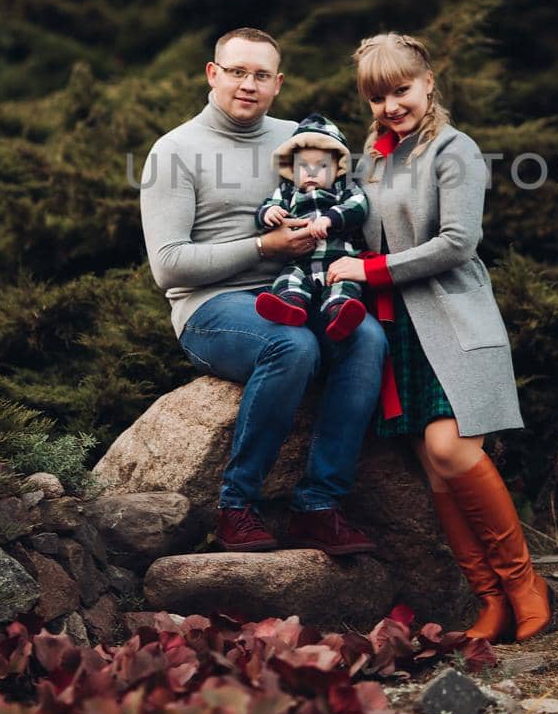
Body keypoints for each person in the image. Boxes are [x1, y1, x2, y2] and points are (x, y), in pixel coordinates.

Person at [326, 31, 551, 641]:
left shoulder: (455, 150)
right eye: (377, 96)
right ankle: (490, 600)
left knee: (453, 451)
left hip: (450, 319)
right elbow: (352, 230)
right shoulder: (370, 159)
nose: (390, 105)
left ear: (428, 83)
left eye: (401, 89)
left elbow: (458, 243)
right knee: (434, 467)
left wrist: (370, 270)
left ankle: (525, 583)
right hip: (393, 332)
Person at [140, 27, 386, 556]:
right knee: (290, 345)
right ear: (213, 74)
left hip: (306, 288)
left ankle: (319, 507)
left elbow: (359, 199)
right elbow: (167, 266)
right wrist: (265, 245)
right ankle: (236, 507)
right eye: (236, 72)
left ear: (277, 84)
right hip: (211, 307)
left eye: (259, 75)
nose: (247, 85)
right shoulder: (175, 151)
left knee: (365, 338)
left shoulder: (302, 140)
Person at [254, 112, 368, 341]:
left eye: (321, 166)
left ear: (337, 169)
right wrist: (269, 213)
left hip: (337, 262)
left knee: (344, 287)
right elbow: (266, 208)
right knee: (288, 281)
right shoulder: (287, 191)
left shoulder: (341, 189)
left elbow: (359, 205)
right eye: (303, 167)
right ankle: (289, 307)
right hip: (300, 263)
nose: (311, 173)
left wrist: (330, 218)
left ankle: (340, 315)